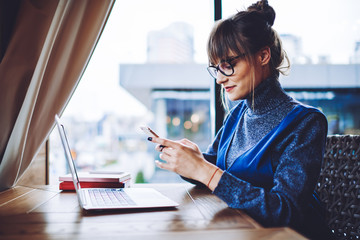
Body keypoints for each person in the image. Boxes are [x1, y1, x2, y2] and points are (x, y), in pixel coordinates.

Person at [148, 0, 334, 239]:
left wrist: (204, 170)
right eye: (216, 67)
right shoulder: (238, 114)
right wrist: (190, 161)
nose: (219, 79)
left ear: (263, 55)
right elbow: (215, 166)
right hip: (240, 231)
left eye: (228, 65)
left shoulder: (306, 123)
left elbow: (285, 212)